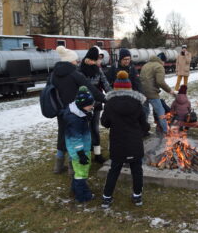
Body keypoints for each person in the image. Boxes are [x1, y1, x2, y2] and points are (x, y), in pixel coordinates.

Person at [100, 71, 150, 209]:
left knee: (114, 169)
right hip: (134, 142)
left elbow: (105, 122)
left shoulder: (110, 103)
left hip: (118, 142)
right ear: (129, 87)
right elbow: (144, 125)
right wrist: (145, 128)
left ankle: (107, 198)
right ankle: (137, 196)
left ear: (115, 88)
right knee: (137, 169)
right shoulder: (137, 103)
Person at [52, 46, 105, 174]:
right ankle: (72, 168)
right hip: (74, 112)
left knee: (62, 135)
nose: (77, 62)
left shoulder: (54, 74)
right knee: (75, 137)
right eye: (75, 60)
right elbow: (91, 89)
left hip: (60, 110)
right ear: (70, 61)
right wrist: (105, 99)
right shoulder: (75, 74)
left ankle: (58, 167)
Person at [79, 46, 112, 164]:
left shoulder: (91, 69)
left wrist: (112, 95)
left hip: (90, 104)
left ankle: (93, 154)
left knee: (90, 129)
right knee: (89, 129)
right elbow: (104, 84)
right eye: (97, 58)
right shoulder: (87, 69)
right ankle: (91, 154)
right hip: (89, 104)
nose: (98, 60)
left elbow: (105, 83)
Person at [63, 86, 95, 203]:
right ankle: (83, 196)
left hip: (78, 149)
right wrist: (81, 154)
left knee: (78, 172)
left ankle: (75, 190)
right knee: (81, 173)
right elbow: (76, 139)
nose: (92, 107)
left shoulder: (78, 112)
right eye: (90, 105)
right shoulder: (75, 120)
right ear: (83, 105)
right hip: (78, 151)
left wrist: (87, 115)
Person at [140, 53, 175, 135]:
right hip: (152, 93)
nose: (164, 64)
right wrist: (170, 90)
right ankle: (167, 131)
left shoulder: (146, 65)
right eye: (164, 62)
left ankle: (143, 131)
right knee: (161, 112)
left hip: (142, 92)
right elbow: (160, 82)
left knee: (145, 112)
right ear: (162, 60)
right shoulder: (159, 66)